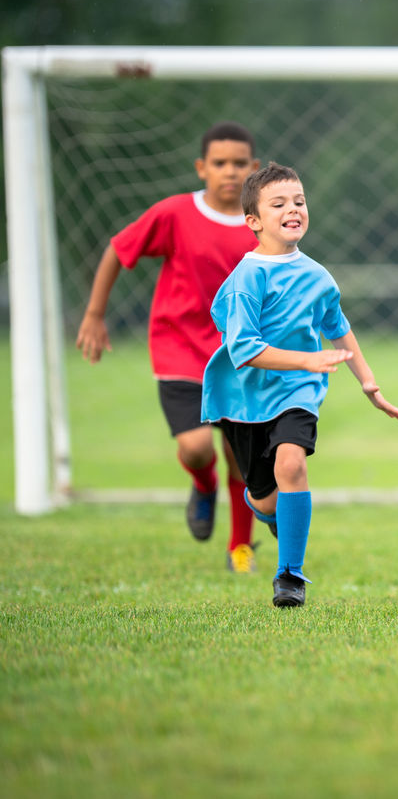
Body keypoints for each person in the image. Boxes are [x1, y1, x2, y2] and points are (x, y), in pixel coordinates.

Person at [201, 162, 398, 608]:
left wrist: (368, 381)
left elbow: (338, 325)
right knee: (266, 499)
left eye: (299, 201)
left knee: (292, 465)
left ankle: (289, 575)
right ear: (253, 221)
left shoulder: (318, 276)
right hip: (243, 399)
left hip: (297, 392)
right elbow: (246, 351)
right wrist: (308, 358)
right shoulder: (246, 280)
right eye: (278, 204)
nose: (293, 209)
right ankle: (274, 513)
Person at [76, 121, 263, 573]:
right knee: (198, 447)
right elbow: (119, 250)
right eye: (220, 163)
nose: (230, 171)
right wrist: (95, 314)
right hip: (179, 351)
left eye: (240, 164)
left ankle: (240, 549)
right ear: (202, 168)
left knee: (244, 459)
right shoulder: (175, 213)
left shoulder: (265, 224)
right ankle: (202, 483)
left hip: (242, 357)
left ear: (254, 169)